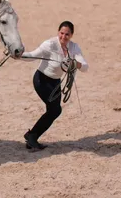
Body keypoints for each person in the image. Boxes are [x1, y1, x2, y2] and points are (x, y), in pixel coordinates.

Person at [21, 21, 89, 150]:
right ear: (58, 32)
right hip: (41, 80)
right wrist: (18, 55)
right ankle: (32, 136)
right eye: (61, 33)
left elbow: (85, 67)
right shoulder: (50, 44)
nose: (63, 37)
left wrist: (76, 64)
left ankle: (32, 136)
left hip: (55, 83)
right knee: (55, 109)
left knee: (54, 111)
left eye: (67, 34)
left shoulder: (74, 48)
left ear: (72, 35)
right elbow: (33, 56)